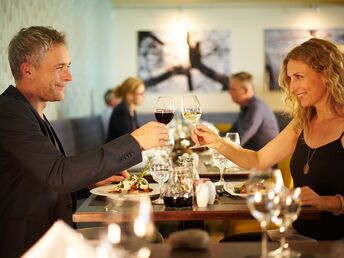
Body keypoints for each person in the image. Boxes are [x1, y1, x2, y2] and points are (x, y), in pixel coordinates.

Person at [0, 26, 168, 258]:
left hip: (52, 234)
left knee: (152, 239)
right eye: (60, 68)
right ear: (28, 70)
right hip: (29, 245)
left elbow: (44, 180)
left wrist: (89, 182)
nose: (69, 77)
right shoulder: (9, 112)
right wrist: (135, 142)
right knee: (147, 243)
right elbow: (58, 174)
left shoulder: (30, 112)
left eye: (68, 67)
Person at [192, 38, 344, 240]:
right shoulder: (303, 122)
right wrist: (217, 142)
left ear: (326, 74)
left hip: (334, 242)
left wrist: (329, 202)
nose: (292, 87)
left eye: (299, 76)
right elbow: (258, 160)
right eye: (290, 78)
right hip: (297, 234)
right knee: (227, 245)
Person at [227, 71, 279, 151]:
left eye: (233, 89)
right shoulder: (246, 107)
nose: (229, 93)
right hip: (250, 157)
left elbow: (239, 141)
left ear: (245, 90)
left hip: (262, 161)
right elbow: (231, 133)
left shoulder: (256, 107)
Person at [107, 77, 145, 141]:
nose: (144, 96)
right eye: (141, 94)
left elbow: (136, 131)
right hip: (117, 150)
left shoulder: (132, 110)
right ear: (130, 94)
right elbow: (129, 139)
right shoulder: (121, 111)